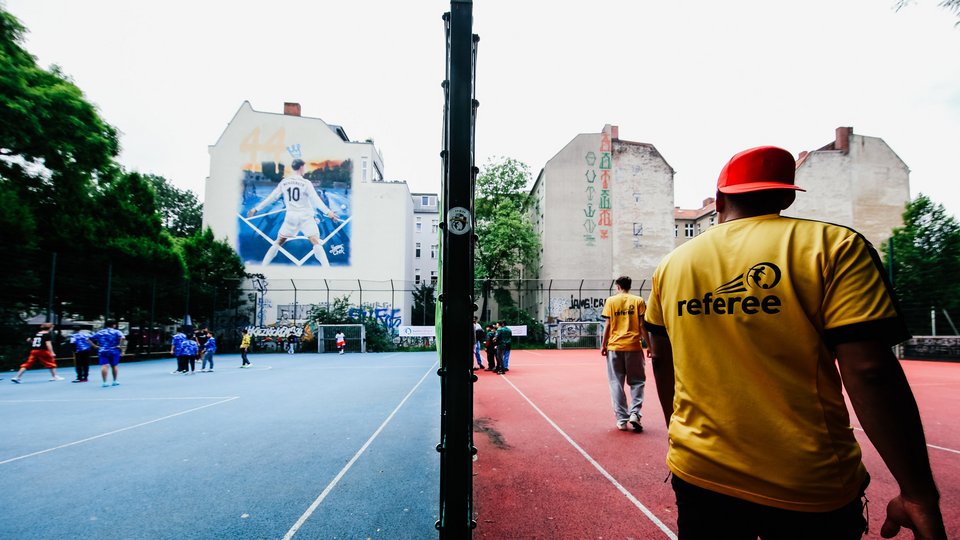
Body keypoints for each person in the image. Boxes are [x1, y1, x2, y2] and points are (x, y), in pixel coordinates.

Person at [645, 146, 946, 539]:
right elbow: (870, 370)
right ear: (787, 196)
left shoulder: (673, 264)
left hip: (699, 471)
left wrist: (681, 435)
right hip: (810, 482)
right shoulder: (835, 246)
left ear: (719, 199)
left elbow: (661, 358)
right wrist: (917, 493)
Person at [246, 158, 341, 266]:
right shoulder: (306, 183)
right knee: (315, 241)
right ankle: (326, 268)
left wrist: (256, 209)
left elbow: (271, 197)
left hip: (291, 217)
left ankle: (263, 266)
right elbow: (316, 199)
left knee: (279, 241)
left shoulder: (284, 182)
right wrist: (329, 212)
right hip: (305, 216)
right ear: (301, 167)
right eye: (304, 167)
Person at [600, 276, 650, 432]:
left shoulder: (610, 301)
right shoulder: (639, 301)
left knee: (616, 383)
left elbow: (608, 325)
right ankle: (635, 413)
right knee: (637, 381)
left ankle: (622, 419)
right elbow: (642, 325)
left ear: (617, 286)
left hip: (615, 347)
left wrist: (604, 344)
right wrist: (649, 345)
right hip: (633, 347)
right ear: (629, 285)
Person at [90, 320, 125, 388]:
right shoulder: (117, 331)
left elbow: (88, 339)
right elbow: (123, 338)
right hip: (114, 350)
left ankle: (104, 382)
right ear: (113, 325)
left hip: (103, 350)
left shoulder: (100, 332)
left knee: (104, 365)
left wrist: (94, 346)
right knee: (114, 365)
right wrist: (119, 345)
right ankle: (114, 381)